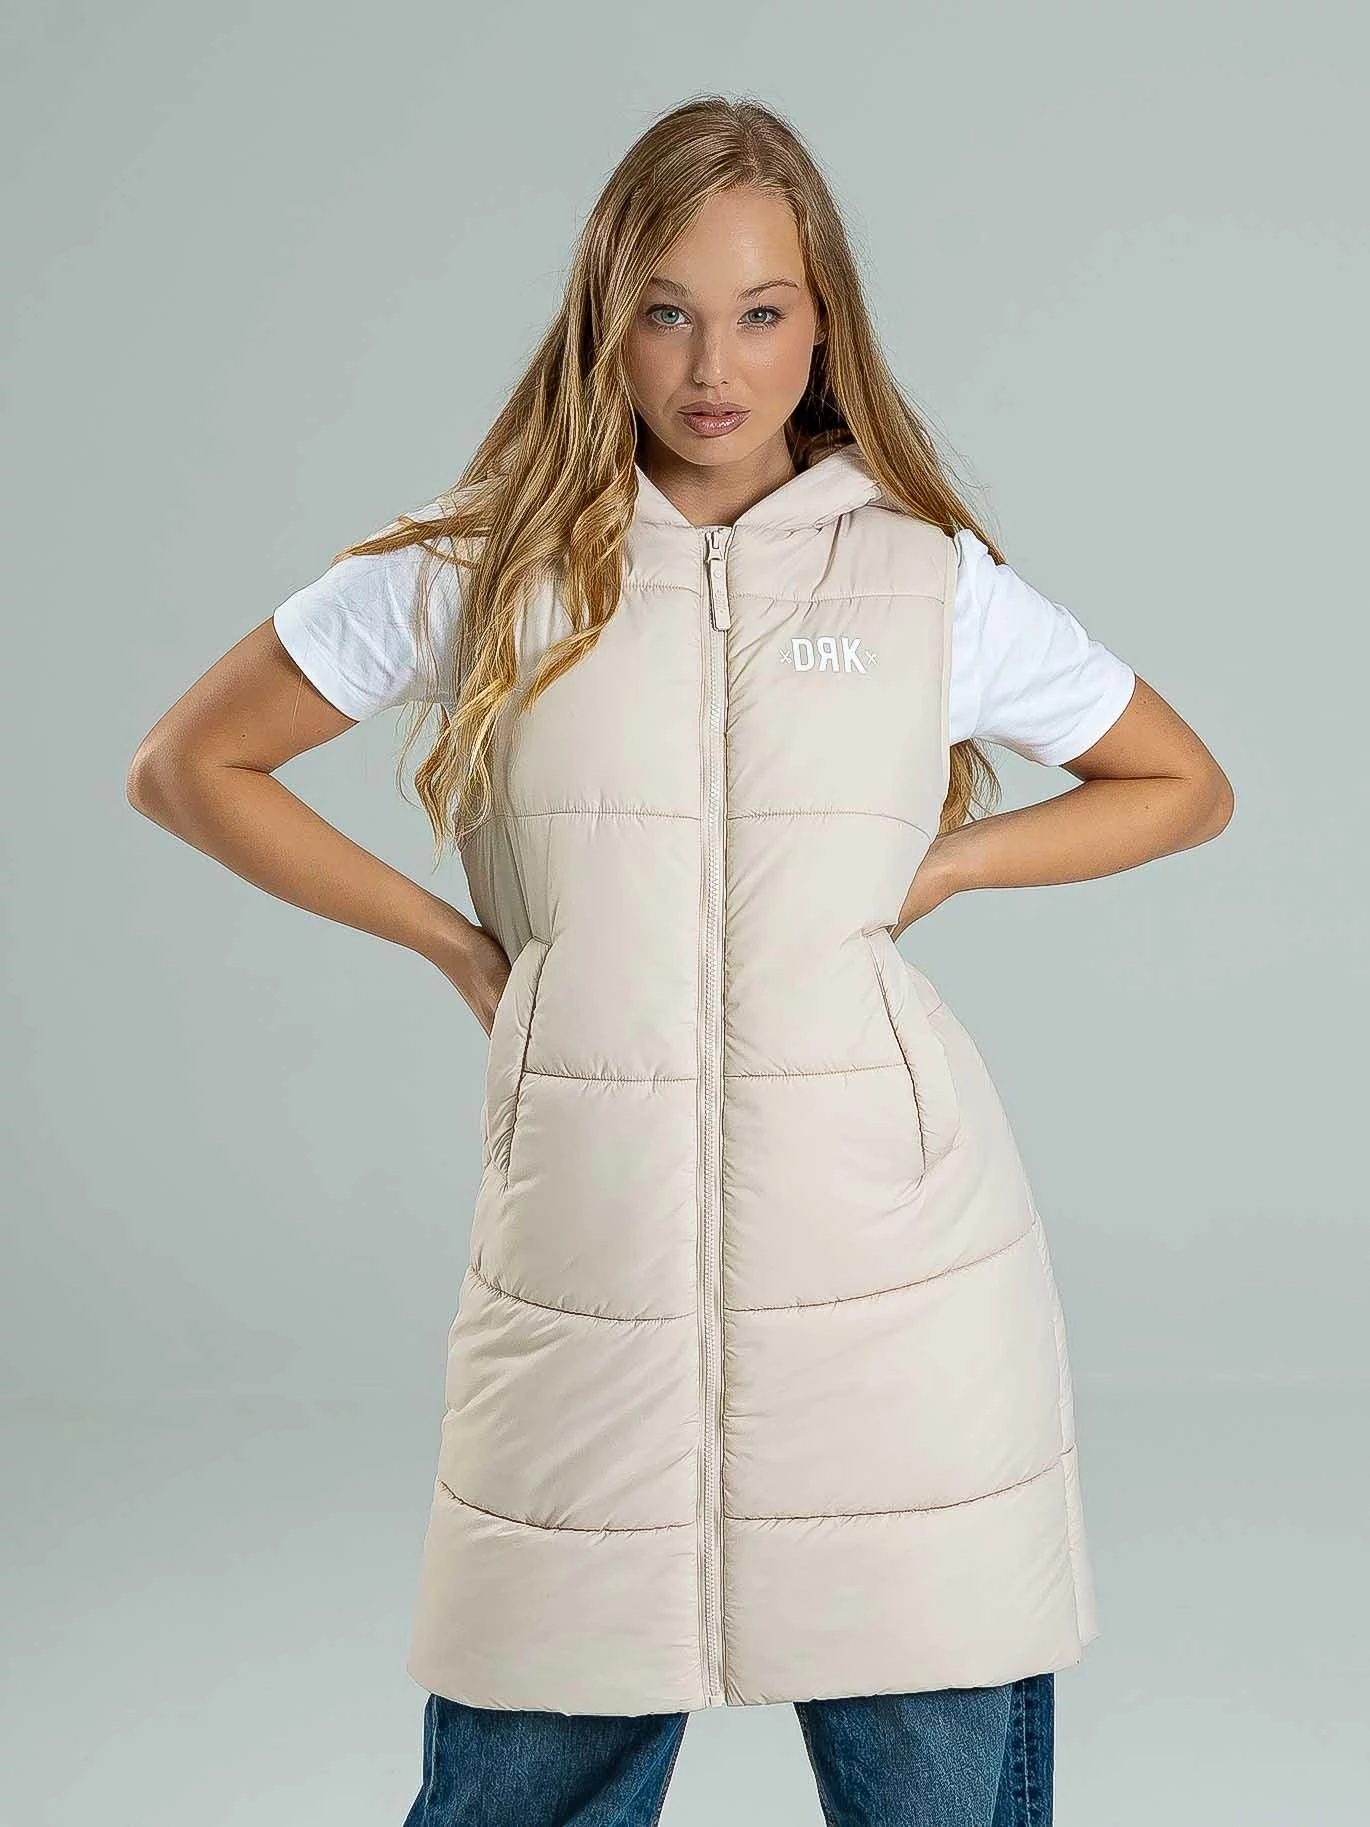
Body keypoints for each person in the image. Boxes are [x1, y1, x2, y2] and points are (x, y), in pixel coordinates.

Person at [127, 93, 1234, 1827]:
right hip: (590, 1286)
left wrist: (944, 864)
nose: (713, 367)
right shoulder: (484, 566)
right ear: (605, 319)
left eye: (759, 312)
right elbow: (187, 762)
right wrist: (458, 948)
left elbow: (1183, 783)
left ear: (822, 322)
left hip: (899, 1293)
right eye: (666, 312)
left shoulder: (921, 584)